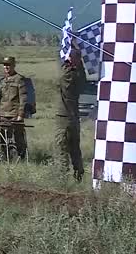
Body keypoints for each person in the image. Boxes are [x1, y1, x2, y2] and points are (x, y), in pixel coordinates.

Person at [55, 43, 86, 182]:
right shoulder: (80, 76)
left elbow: (63, 79)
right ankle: (79, 174)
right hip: (75, 116)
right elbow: (82, 79)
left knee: (62, 146)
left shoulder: (69, 75)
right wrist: (77, 65)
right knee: (75, 148)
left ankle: (62, 176)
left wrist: (67, 63)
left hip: (64, 116)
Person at [0, 56, 28, 160]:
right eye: (5, 65)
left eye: (8, 65)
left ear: (13, 65)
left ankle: (21, 157)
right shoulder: (2, 81)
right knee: (3, 138)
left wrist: (20, 114)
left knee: (18, 137)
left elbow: (23, 98)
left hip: (15, 114)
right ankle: (5, 157)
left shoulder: (19, 79)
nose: (6, 67)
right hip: (3, 114)